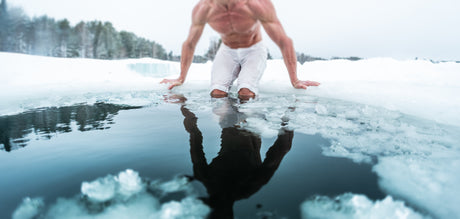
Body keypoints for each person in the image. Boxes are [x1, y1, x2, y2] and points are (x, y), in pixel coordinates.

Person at [161, 0, 320, 100]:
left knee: (245, 93)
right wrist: (181, 77)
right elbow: (189, 43)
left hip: (253, 50)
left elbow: (284, 41)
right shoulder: (204, 8)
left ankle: (248, 132)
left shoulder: (256, 4)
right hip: (227, 51)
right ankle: (229, 132)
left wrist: (295, 79)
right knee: (217, 93)